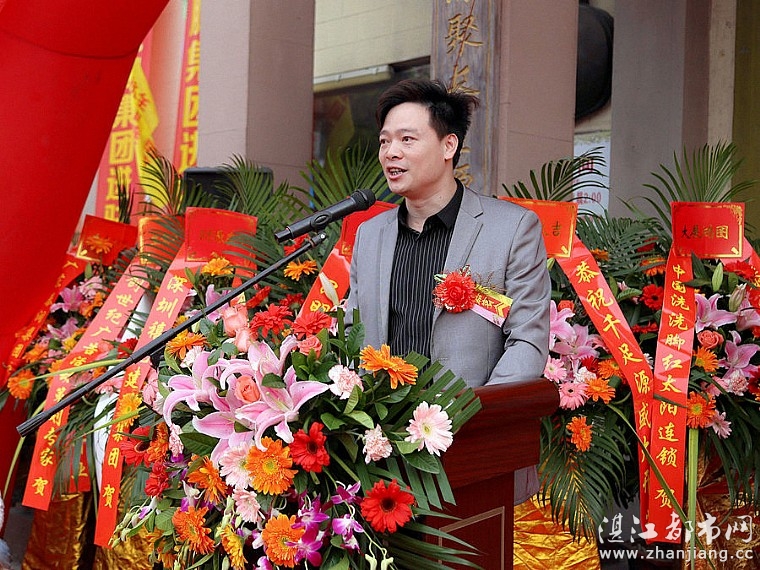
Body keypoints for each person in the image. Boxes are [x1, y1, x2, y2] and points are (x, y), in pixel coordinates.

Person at [345, 78, 551, 504]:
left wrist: (474, 420)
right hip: (380, 456)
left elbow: (527, 341)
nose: (391, 152)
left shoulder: (511, 229)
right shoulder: (370, 235)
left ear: (448, 145)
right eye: (385, 141)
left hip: (473, 450)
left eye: (407, 139)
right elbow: (353, 332)